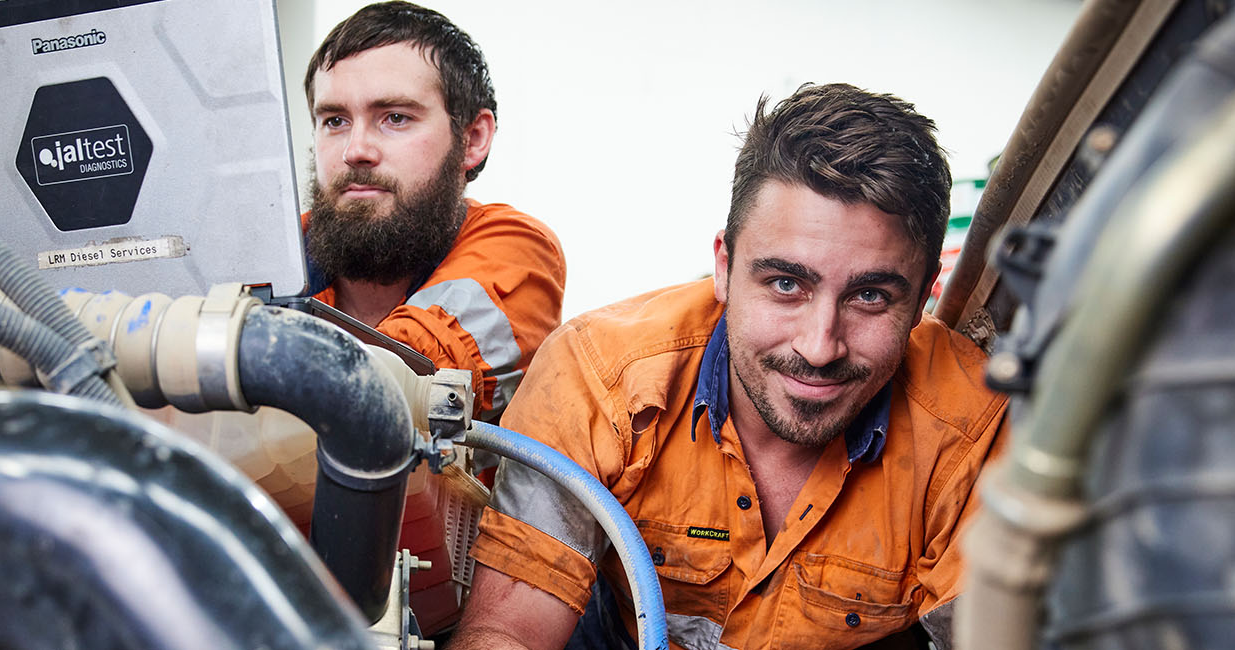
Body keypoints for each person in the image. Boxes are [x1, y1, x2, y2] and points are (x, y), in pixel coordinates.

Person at [452, 83, 1010, 649]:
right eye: (786, 284)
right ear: (724, 266)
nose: (820, 348)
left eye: (870, 297)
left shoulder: (975, 434)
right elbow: (507, 633)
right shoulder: (597, 377)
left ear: (921, 301)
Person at [302, 1, 565, 421]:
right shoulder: (270, 256)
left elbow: (401, 376)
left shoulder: (517, 248)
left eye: (395, 117)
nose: (356, 151)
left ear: (473, 138)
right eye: (335, 120)